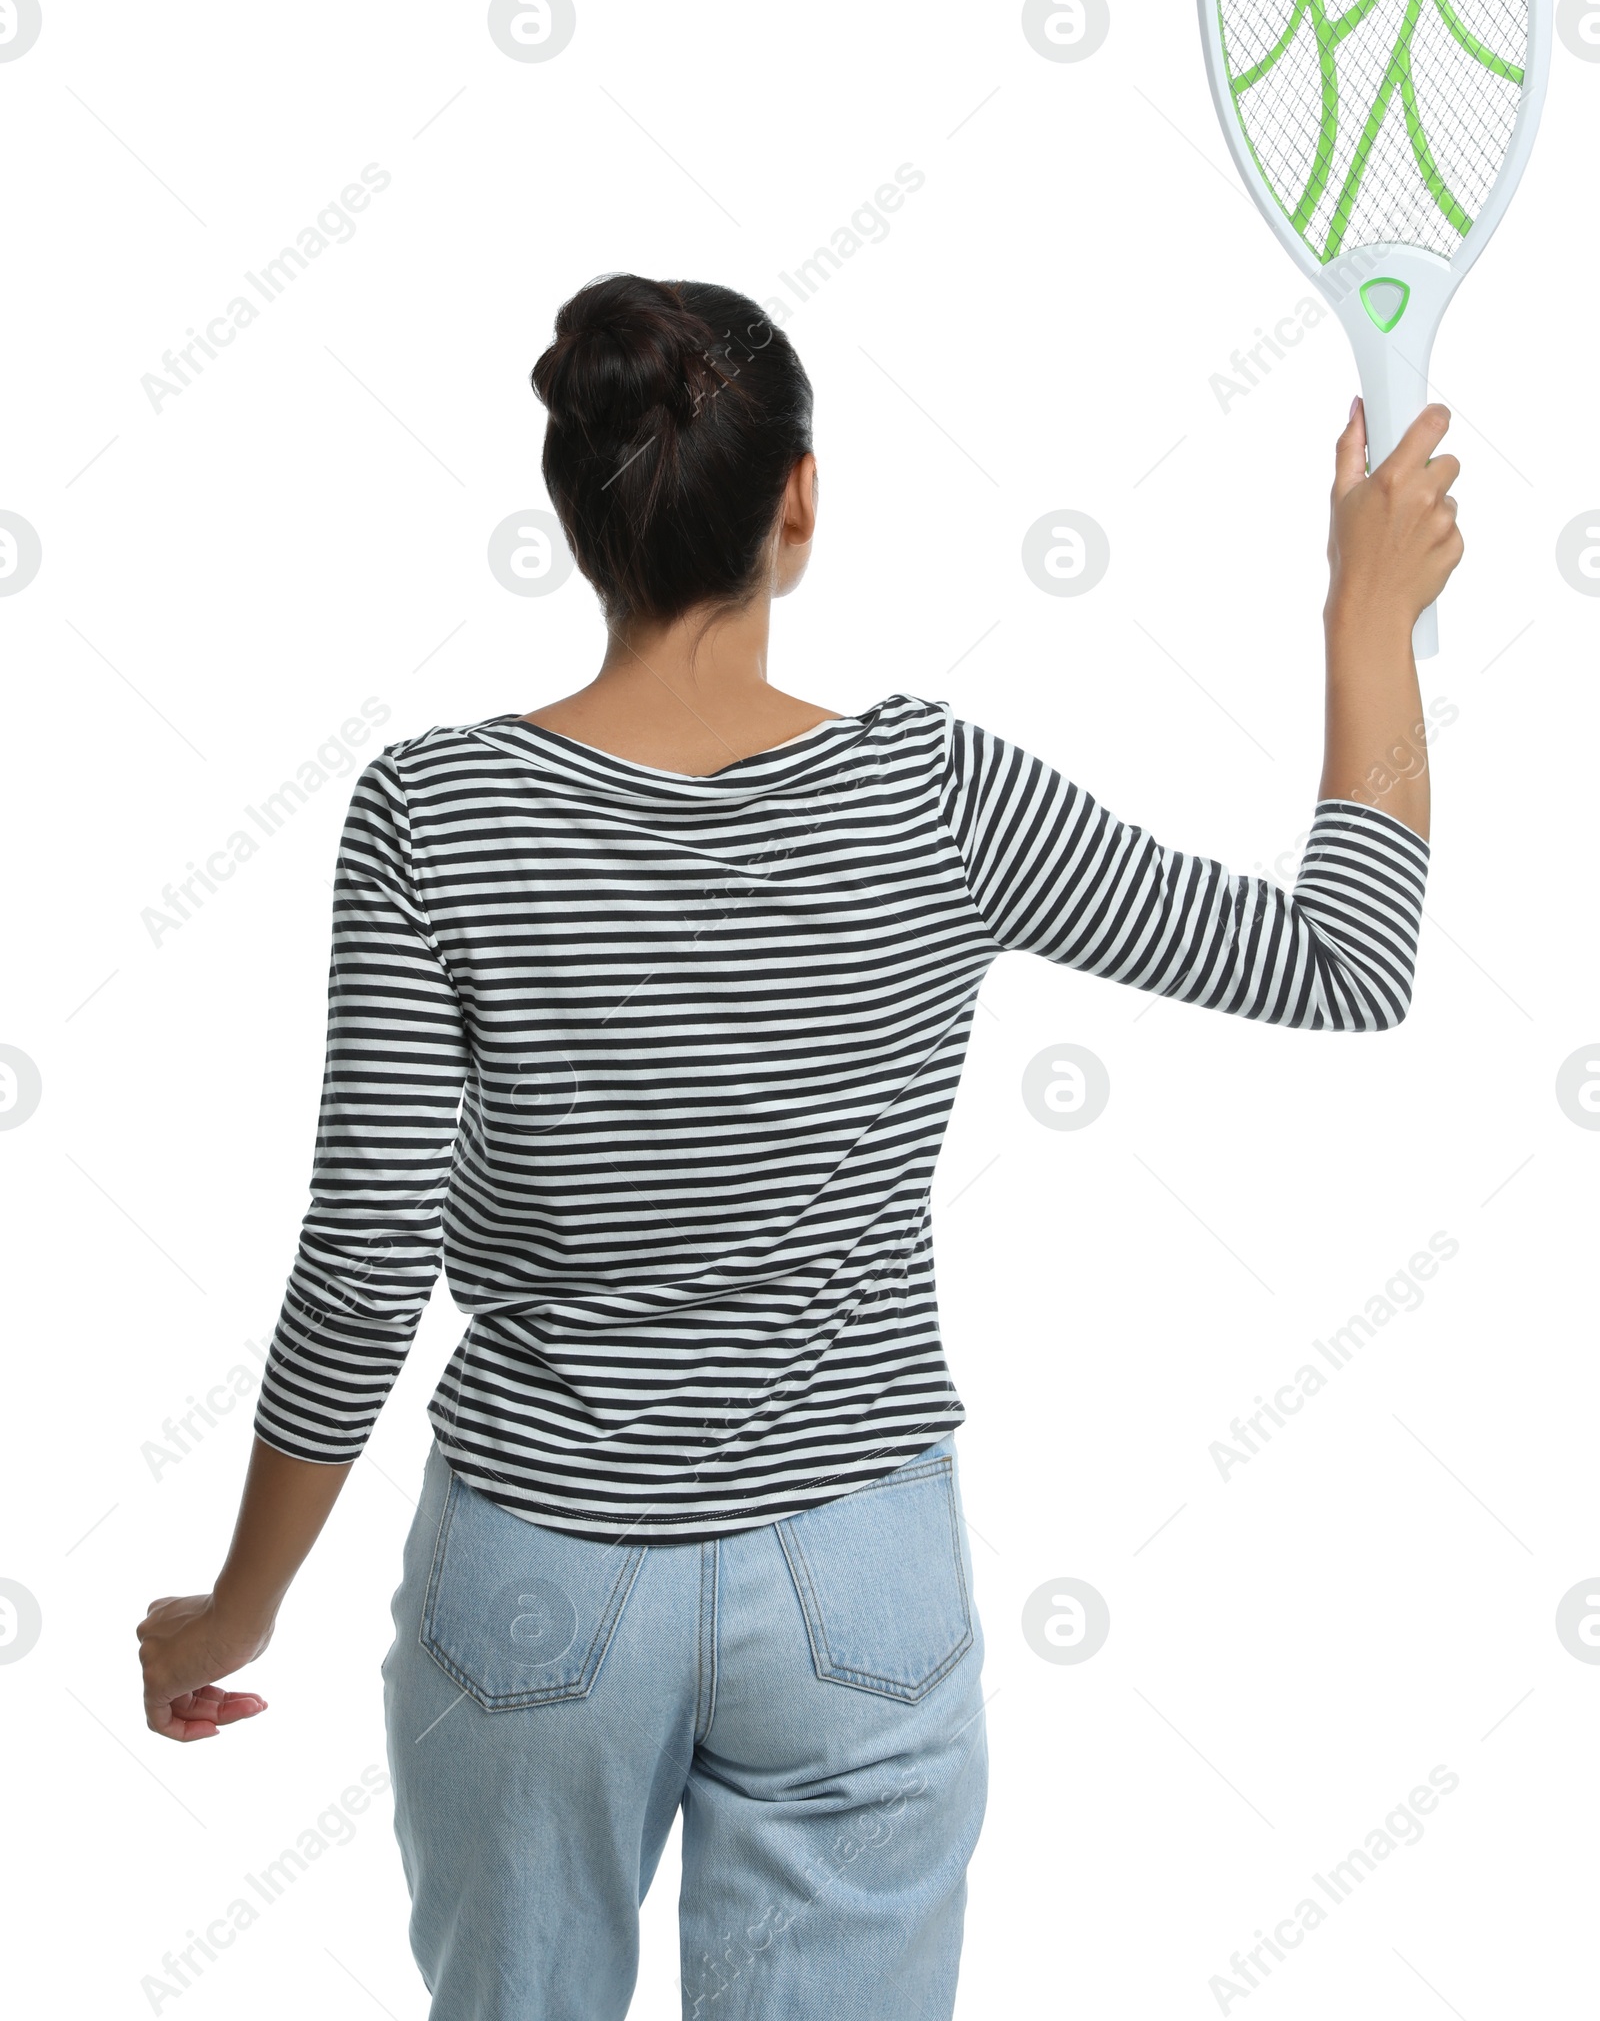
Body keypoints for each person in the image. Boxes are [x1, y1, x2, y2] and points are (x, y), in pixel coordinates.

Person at [137, 273, 1461, 2020]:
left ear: (573, 511)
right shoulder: (938, 796)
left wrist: (235, 1611)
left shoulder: (430, 816)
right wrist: (1363, 619)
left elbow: (368, 1258)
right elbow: (1341, 960)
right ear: (801, 502)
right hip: (861, 1579)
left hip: (539, 1567)